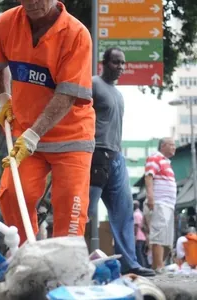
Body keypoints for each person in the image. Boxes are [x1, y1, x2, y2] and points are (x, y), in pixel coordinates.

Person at [0, 0, 95, 244]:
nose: (32, 2)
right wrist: (4, 97)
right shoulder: (6, 23)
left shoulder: (76, 34)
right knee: (13, 195)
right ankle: (27, 256)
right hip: (25, 133)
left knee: (70, 205)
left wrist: (34, 134)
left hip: (71, 137)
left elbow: (67, 95)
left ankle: (65, 267)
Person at [88, 47, 155, 277]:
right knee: (83, 212)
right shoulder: (93, 84)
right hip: (96, 155)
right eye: (116, 63)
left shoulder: (118, 94)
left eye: (123, 63)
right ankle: (70, 261)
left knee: (124, 213)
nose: (121, 67)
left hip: (117, 158)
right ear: (104, 63)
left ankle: (130, 264)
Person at [145, 137, 177, 273]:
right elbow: (148, 176)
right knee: (158, 235)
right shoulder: (155, 158)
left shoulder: (167, 162)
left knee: (167, 240)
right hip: (159, 202)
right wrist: (151, 197)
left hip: (168, 205)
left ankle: (157, 266)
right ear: (163, 146)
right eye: (171, 145)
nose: (174, 147)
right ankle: (159, 267)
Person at [133, 200, 148, 267]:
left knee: (139, 253)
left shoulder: (136, 214)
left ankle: (142, 266)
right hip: (143, 237)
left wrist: (135, 237)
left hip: (138, 237)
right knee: (142, 253)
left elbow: (136, 226)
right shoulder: (141, 213)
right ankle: (145, 266)